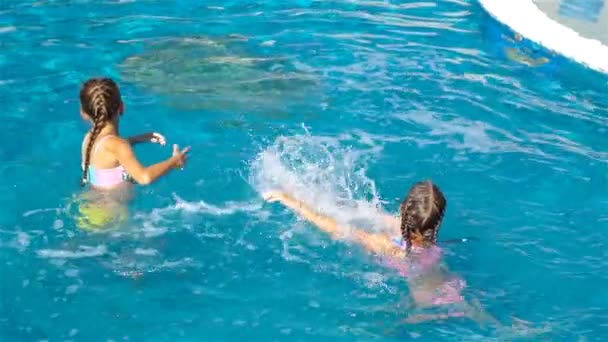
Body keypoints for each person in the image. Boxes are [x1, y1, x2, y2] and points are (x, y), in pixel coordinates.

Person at [263, 180, 496, 324]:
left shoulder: (387, 246)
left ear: (403, 209)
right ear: (437, 222)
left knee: (386, 329)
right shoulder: (431, 239)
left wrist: (291, 201)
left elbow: (334, 228)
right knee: (482, 316)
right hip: (452, 286)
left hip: (424, 305)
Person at [73, 77, 190, 230]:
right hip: (112, 215)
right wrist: (174, 161)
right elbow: (144, 178)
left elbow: (109, 152)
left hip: (87, 208)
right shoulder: (118, 145)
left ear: (83, 113)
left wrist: (139, 139)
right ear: (122, 107)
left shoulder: (90, 139)